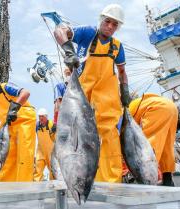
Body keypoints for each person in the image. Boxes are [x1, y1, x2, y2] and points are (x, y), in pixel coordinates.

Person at [54, 4, 131, 183]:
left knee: (109, 142)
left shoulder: (118, 47)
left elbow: (122, 72)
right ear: (101, 19)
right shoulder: (88, 33)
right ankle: (84, 183)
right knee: (82, 141)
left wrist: (125, 89)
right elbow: (60, 30)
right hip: (83, 101)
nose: (110, 26)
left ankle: (112, 186)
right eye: (108, 21)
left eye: (115, 24)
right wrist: (68, 50)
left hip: (107, 103)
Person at [126, 93, 178, 186]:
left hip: (156, 108)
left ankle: (144, 183)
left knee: (146, 148)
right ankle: (168, 180)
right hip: (171, 107)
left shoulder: (127, 110)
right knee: (166, 148)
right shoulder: (140, 102)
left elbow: (128, 138)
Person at [33, 108, 56, 181]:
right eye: (39, 116)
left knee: (53, 172)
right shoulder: (36, 126)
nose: (41, 118)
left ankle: (53, 188)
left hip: (51, 153)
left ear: (46, 117)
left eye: (42, 116)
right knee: (37, 171)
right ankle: (36, 189)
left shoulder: (52, 124)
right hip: (40, 152)